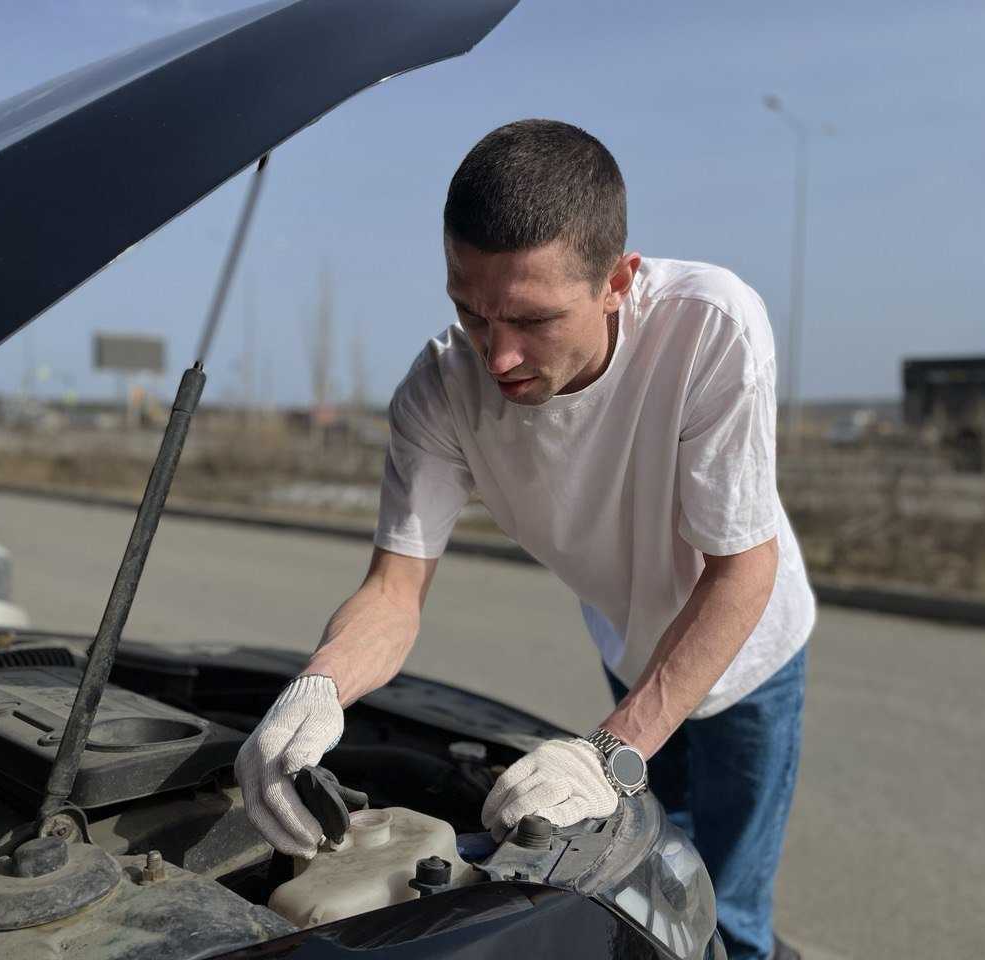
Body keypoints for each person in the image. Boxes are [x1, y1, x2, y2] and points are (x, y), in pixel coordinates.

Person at [235, 119, 815, 960]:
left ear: (619, 280)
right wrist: (319, 689)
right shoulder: (439, 393)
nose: (496, 355)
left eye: (530, 319)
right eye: (468, 310)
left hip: (749, 654)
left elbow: (740, 571)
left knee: (729, 918)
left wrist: (611, 754)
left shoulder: (708, 328)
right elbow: (395, 593)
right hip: (631, 646)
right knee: (653, 891)